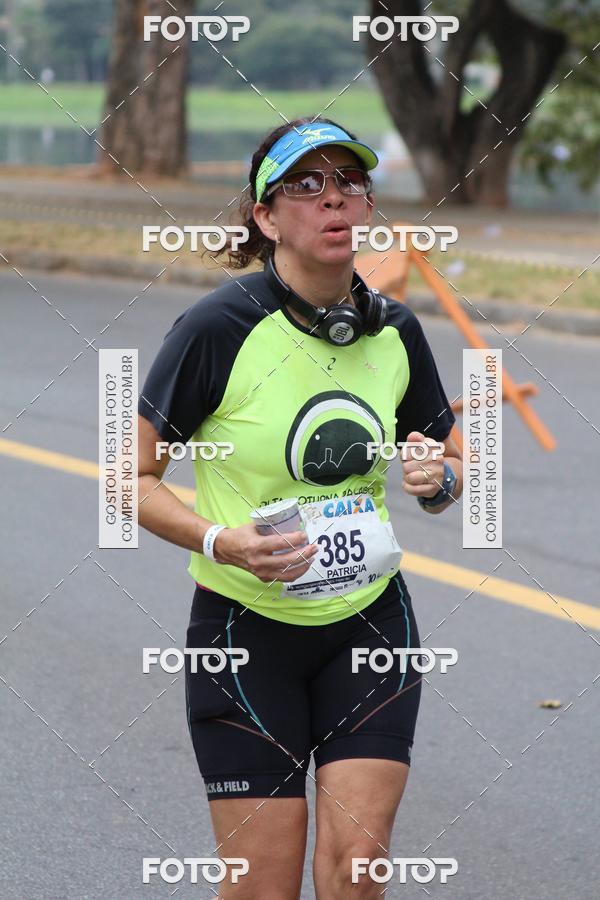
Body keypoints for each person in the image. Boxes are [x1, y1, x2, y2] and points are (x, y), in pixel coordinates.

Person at [137, 116, 463, 899]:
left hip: (372, 628)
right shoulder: (219, 328)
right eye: (307, 186)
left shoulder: (396, 331)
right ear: (265, 215)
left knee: (357, 873)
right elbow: (130, 477)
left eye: (351, 183)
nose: (335, 202)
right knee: (262, 887)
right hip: (244, 637)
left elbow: (451, 462)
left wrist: (436, 481)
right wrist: (221, 540)